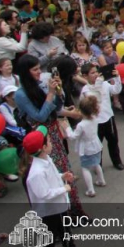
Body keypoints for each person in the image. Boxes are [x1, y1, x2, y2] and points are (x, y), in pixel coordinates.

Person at [14, 54, 87, 217]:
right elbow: (39, 116)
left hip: (53, 131)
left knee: (64, 169)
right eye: (35, 70)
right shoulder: (20, 94)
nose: (39, 72)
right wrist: (50, 94)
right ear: (25, 73)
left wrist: (59, 92)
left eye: (39, 68)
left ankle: (75, 211)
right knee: (53, 173)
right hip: (40, 135)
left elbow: (55, 107)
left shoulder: (40, 84)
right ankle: (63, 215)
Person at [20, 131, 87, 247]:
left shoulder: (46, 159)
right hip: (48, 211)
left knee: (65, 229)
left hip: (59, 205)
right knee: (48, 236)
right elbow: (44, 194)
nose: (51, 144)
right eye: (49, 142)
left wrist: (62, 176)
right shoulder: (36, 173)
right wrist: (64, 188)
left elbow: (53, 176)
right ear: (43, 148)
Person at [80, 63, 124, 170]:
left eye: (96, 71)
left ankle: (116, 161)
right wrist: (98, 86)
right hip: (95, 122)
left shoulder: (104, 84)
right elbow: (95, 100)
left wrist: (117, 78)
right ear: (85, 76)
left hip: (108, 118)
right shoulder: (86, 90)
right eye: (92, 73)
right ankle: (98, 165)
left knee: (113, 141)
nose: (96, 74)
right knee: (97, 146)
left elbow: (116, 90)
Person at [62, 94, 106, 197]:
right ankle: (101, 180)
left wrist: (67, 128)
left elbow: (73, 136)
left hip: (86, 148)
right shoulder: (95, 118)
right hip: (96, 145)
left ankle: (91, 190)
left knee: (85, 167)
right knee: (96, 163)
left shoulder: (81, 125)